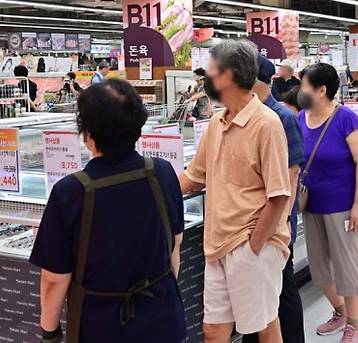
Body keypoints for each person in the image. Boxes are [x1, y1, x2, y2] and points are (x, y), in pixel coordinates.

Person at [29, 79, 186, 343]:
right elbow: (175, 246)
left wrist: (50, 333)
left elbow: (54, 279)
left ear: (88, 133)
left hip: (101, 327)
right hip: (163, 320)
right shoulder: (163, 172)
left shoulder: (71, 192)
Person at [179, 40, 291, 343]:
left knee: (264, 327)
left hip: (249, 243)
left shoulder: (267, 124)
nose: (207, 82)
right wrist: (151, 190)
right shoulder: (216, 123)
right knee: (213, 332)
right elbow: (194, 177)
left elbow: (280, 194)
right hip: (216, 245)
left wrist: (254, 245)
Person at [297, 62, 358, 343]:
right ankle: (339, 312)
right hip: (311, 206)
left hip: (343, 208)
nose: (299, 90)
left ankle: (353, 324)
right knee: (320, 269)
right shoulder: (301, 118)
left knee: (348, 268)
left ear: (321, 90)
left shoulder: (346, 119)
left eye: (303, 85)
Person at [243, 54, 305, 343]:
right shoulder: (243, 116)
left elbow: (291, 177)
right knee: (261, 295)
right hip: (252, 225)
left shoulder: (283, 117)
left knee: (283, 291)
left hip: (275, 228)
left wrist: (276, 229)